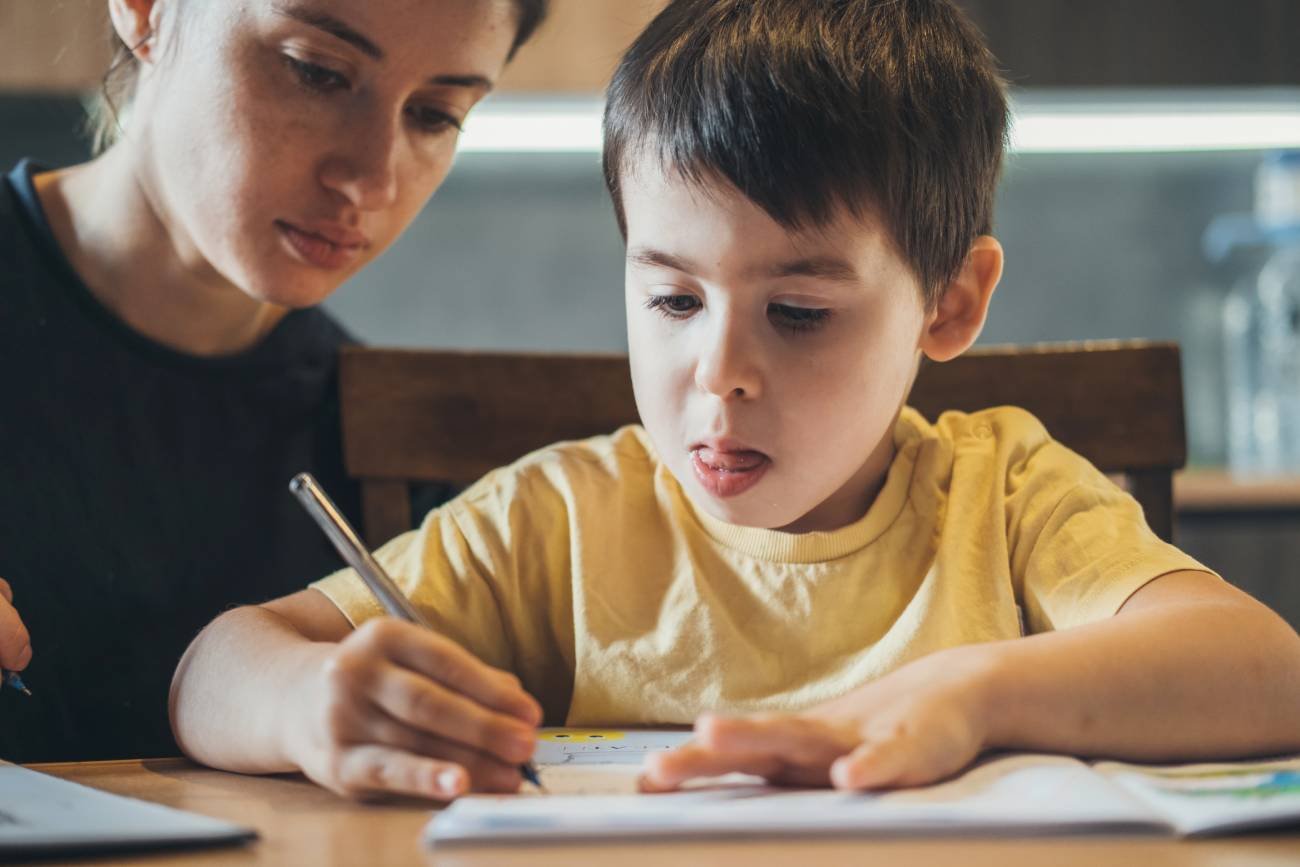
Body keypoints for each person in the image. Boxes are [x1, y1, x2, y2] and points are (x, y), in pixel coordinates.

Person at [169, 0, 1300, 801]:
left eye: (798, 313)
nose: (716, 373)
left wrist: (972, 692)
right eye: (670, 299)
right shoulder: (558, 520)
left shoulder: (1001, 496)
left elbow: (1266, 670)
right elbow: (216, 666)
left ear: (950, 303)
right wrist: (308, 699)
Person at [0, 0, 548, 763]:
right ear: (145, 11)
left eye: (433, 113)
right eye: (317, 72)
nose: (371, 180)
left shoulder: (395, 451)